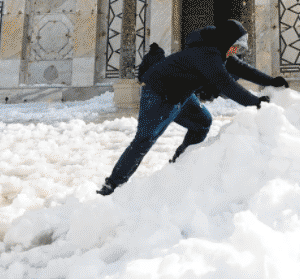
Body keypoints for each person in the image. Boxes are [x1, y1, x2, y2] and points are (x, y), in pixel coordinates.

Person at [96, 20, 287, 196]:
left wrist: (271, 81)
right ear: (227, 40)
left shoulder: (218, 51)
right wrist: (255, 102)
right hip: (159, 94)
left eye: (239, 48)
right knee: (145, 139)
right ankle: (113, 184)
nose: (236, 51)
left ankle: (179, 163)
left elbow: (243, 69)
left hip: (181, 94)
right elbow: (226, 84)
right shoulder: (208, 54)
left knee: (202, 122)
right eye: (235, 46)